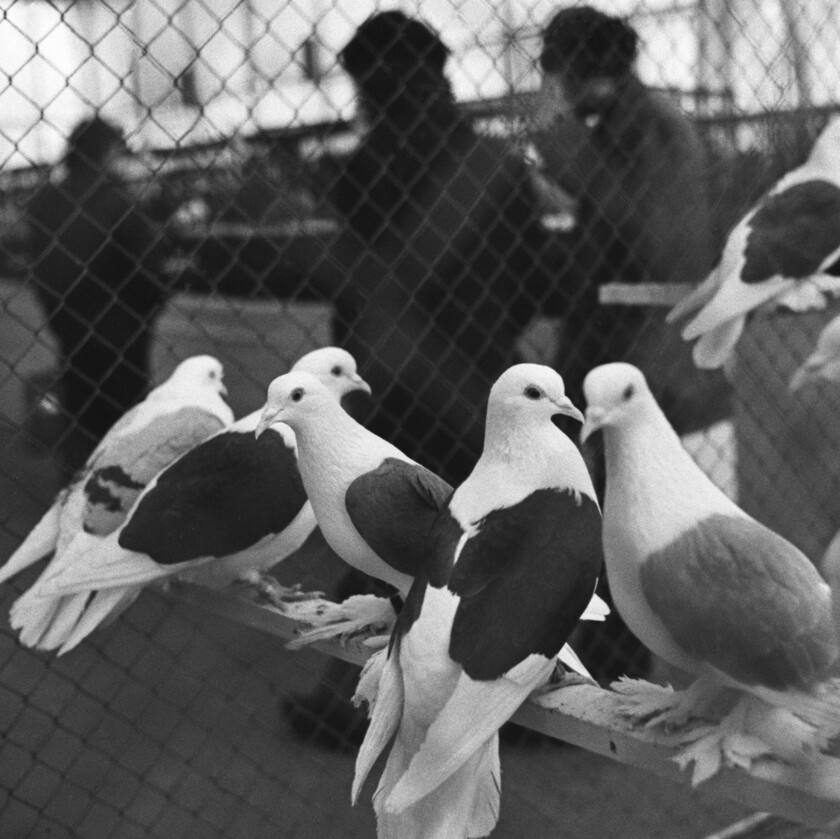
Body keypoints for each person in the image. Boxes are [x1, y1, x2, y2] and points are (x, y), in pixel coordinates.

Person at [285, 10, 559, 749]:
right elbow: (535, 277)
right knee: (481, 536)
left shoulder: (368, 170)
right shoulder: (493, 165)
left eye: (363, 83)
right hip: (477, 376)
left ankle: (361, 698)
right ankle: (512, 695)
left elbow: (352, 284)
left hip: (397, 383)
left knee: (388, 541)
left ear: (377, 82)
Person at [533, 5, 730, 434]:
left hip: (655, 360)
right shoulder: (631, 119)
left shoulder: (645, 124)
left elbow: (641, 229)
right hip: (655, 352)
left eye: (557, 76)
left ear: (570, 70)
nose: (554, 91)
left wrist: (560, 144)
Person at [25, 116, 172, 475]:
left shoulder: (45, 203)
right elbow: (149, 268)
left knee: (82, 413)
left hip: (71, 327)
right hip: (122, 330)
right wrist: (151, 305)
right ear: (106, 151)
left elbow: (40, 270)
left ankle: (80, 489)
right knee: (125, 420)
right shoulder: (114, 201)